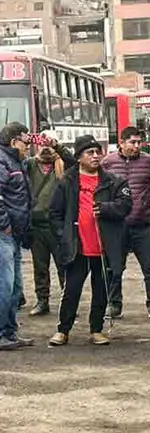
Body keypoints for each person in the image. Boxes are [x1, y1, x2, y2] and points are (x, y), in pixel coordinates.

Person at [48, 135, 132, 347]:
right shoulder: (66, 181)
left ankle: (96, 329)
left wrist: (106, 208)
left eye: (98, 152)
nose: (96, 156)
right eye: (90, 153)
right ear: (79, 157)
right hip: (78, 248)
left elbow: (125, 205)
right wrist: (64, 235)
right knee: (71, 290)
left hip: (104, 248)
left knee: (101, 290)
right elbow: (55, 213)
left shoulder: (114, 180)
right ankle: (63, 330)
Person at [101, 126, 150, 320]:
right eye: (132, 142)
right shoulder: (108, 163)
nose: (136, 146)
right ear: (121, 143)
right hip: (116, 225)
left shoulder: (149, 162)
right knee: (113, 267)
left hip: (141, 223)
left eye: (139, 142)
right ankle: (114, 304)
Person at [26, 133, 74, 316]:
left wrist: (56, 145)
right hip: (37, 225)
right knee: (40, 266)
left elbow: (72, 160)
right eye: (43, 144)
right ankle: (42, 301)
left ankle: (67, 302)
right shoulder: (30, 164)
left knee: (64, 264)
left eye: (49, 145)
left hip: (57, 225)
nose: (46, 148)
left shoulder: (63, 165)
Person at [0, 123, 34, 350]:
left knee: (15, 286)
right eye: (26, 143)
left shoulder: (17, 162)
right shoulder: (2, 161)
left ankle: (10, 332)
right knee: (5, 285)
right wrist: (4, 225)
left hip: (14, 235)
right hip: (4, 234)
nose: (28, 148)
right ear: (14, 141)